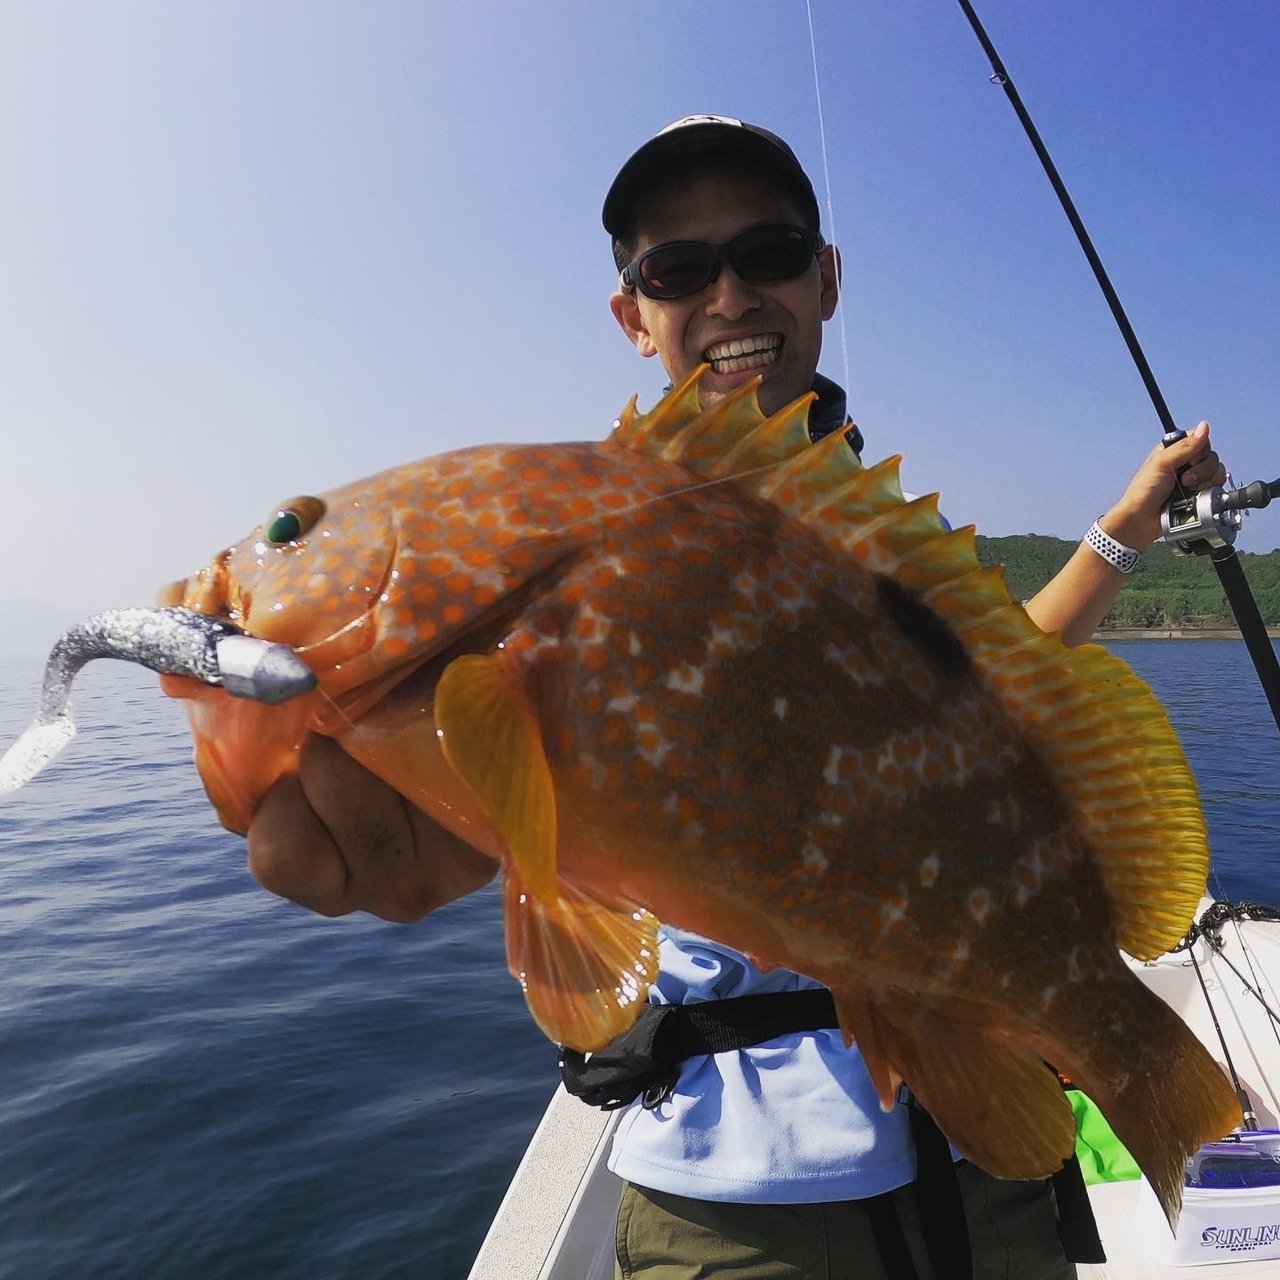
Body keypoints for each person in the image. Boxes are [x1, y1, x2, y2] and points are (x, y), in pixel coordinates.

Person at [246, 117, 1226, 1279]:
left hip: (977, 1182)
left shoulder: (863, 538)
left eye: (765, 251)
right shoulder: (580, 542)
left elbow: (1001, 685)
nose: (727, 294)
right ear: (632, 312)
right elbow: (538, 788)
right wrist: (440, 804)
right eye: (676, 268)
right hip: (734, 1200)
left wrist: (1121, 529)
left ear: (823, 279)